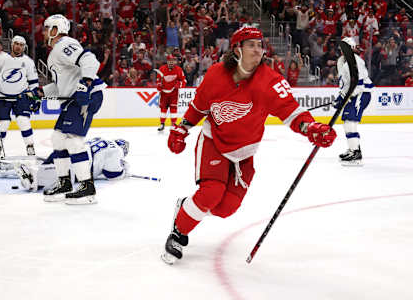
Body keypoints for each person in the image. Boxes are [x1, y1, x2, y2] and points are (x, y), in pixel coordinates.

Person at [161, 26, 337, 265]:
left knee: (225, 209)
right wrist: (182, 127)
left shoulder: (270, 81)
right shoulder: (215, 74)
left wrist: (311, 129)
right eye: (251, 45)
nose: (258, 50)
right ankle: (178, 232)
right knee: (210, 192)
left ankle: (187, 207)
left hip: (245, 151)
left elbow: (292, 112)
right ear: (237, 49)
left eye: (260, 45)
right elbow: (199, 106)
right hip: (214, 140)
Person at [35, 14, 106, 205]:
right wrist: (40, 93)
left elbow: (90, 60)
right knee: (58, 138)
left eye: (46, 28)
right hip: (74, 99)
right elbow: (61, 86)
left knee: (73, 141)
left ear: (55, 30)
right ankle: (65, 182)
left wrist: (85, 83)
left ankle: (86, 188)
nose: (43, 32)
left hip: (86, 96)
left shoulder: (64, 44)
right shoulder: (55, 52)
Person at [0, 137, 130, 193]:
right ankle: (28, 175)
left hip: (68, 150)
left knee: (48, 164)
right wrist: (125, 170)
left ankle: (8, 167)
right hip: (77, 166)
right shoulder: (116, 150)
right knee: (39, 181)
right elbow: (112, 174)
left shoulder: (101, 140)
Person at [0, 35, 40, 158]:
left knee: (23, 121)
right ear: (12, 44)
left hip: (21, 96)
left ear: (24, 47)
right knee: (3, 123)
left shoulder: (28, 62)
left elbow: (33, 83)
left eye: (21, 45)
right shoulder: (0, 59)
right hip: (2, 96)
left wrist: (35, 98)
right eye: (16, 44)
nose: (18, 47)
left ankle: (30, 146)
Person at [333, 37, 374, 166]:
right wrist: (341, 96)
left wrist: (344, 97)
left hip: (362, 94)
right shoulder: (343, 62)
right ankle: (352, 150)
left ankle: (356, 154)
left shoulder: (356, 61)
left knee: (350, 122)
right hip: (354, 95)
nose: (341, 51)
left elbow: (359, 85)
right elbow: (346, 84)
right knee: (346, 122)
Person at [155, 54, 186, 131]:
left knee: (173, 108)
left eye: (172, 61)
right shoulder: (162, 69)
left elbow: (184, 81)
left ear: (175, 61)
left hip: (174, 93)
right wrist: (159, 85)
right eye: (169, 61)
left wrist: (179, 84)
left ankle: (173, 124)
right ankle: (162, 124)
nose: (171, 62)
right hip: (164, 93)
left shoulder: (179, 69)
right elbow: (158, 80)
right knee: (163, 109)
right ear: (167, 61)